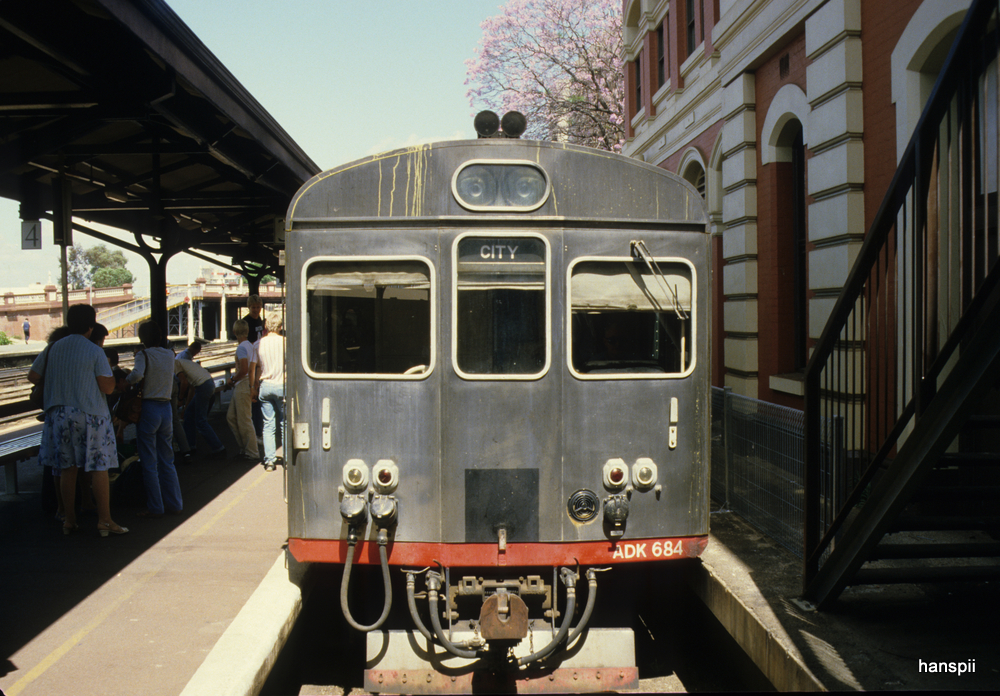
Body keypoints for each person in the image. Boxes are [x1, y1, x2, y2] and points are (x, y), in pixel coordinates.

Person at [27, 304, 127, 537]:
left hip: (59, 416)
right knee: (99, 468)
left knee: (67, 469)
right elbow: (108, 386)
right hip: (91, 416)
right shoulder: (94, 351)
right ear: (90, 327)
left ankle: (69, 520)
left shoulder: (53, 348)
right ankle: (104, 521)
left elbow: (33, 376)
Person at [127, 321, 183, 518]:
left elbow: (136, 376)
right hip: (166, 408)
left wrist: (126, 380)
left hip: (149, 408)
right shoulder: (170, 355)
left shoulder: (143, 355)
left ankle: (156, 507)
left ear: (142, 339)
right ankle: (175, 504)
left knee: (149, 461)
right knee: (167, 459)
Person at [175, 350, 226, 458]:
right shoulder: (183, 362)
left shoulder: (175, 364)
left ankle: (218, 448)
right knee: (189, 414)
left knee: (200, 421)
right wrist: (186, 407)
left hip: (203, 387)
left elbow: (184, 383)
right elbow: (192, 388)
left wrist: (180, 399)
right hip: (206, 384)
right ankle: (190, 445)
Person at [254, 314, 285, 471]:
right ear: (280, 326)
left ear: (266, 326)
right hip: (281, 386)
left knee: (268, 425)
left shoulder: (259, 343)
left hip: (265, 386)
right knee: (284, 423)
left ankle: (270, 461)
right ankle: (286, 459)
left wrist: (254, 386)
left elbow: (257, 366)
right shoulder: (285, 342)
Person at [226, 319, 259, 461]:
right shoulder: (250, 346)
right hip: (246, 384)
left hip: (242, 383)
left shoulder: (241, 348)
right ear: (247, 331)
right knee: (231, 417)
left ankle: (252, 452)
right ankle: (244, 448)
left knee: (245, 419)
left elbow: (244, 369)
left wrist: (232, 380)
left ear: (234, 332)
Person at [244, 295, 265, 437]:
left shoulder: (261, 321)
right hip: (252, 359)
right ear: (249, 307)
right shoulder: (246, 322)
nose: (256, 310)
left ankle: (258, 429)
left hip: (260, 358)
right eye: (253, 307)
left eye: (258, 307)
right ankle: (255, 431)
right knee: (253, 397)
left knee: (258, 397)